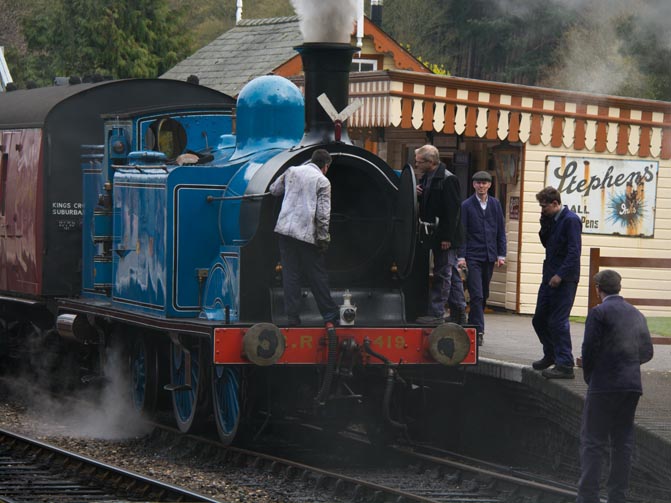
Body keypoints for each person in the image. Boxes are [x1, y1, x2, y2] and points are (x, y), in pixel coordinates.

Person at [577, 269, 653, 503]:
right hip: (631, 386)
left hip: (604, 385)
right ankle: (617, 496)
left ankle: (588, 496)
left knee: (594, 441)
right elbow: (647, 352)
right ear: (619, 287)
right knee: (623, 443)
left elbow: (588, 350)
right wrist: (628, 363)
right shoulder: (637, 314)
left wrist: (590, 374)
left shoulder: (599, 313)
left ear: (598, 288)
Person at [269, 149, 339, 326]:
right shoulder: (323, 181)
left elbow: (274, 190)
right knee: (317, 275)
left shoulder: (292, 171)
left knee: (290, 275)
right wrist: (323, 238)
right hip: (306, 235)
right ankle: (330, 315)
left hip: (284, 231)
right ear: (325, 166)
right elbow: (324, 214)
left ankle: (292, 317)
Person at [531, 186, 582, 379]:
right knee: (539, 319)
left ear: (555, 203)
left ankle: (565, 364)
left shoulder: (571, 220)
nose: (542, 209)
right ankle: (551, 354)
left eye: (544, 207)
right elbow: (546, 243)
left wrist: (560, 275)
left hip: (564, 279)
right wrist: (544, 221)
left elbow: (574, 252)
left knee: (558, 321)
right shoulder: (552, 220)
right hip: (549, 276)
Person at [415, 144, 466, 324]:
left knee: (442, 273)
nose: (417, 165)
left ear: (430, 162)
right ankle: (459, 312)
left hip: (445, 235)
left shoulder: (447, 179)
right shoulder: (428, 178)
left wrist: (447, 238)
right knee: (451, 272)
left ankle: (436, 312)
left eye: (419, 162)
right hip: (436, 234)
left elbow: (453, 212)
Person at [457, 171, 506, 346]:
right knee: (476, 294)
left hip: (489, 255)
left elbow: (500, 230)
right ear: (474, 185)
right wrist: (461, 257)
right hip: (472, 256)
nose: (481, 186)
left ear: (490, 185)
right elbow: (462, 232)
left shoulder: (495, 204)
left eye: (485, 183)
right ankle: (478, 331)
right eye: (478, 183)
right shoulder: (467, 205)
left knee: (484, 293)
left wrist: (501, 254)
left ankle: (472, 323)